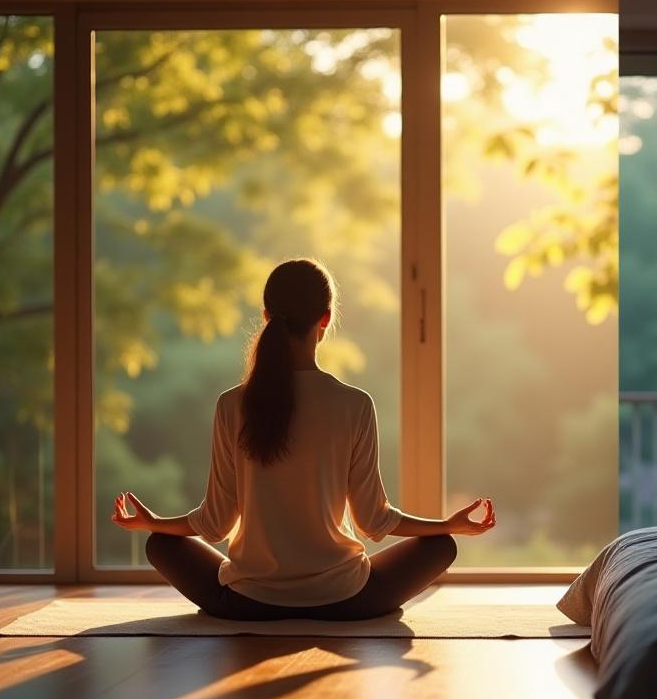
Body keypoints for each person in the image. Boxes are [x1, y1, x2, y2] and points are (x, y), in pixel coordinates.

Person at [111, 258, 495, 620]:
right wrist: (448, 524)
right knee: (441, 546)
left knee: (160, 544)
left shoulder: (232, 405)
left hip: (246, 602)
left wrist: (156, 523)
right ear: (325, 319)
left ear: (266, 317)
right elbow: (374, 520)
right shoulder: (354, 404)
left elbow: (215, 523)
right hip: (346, 601)